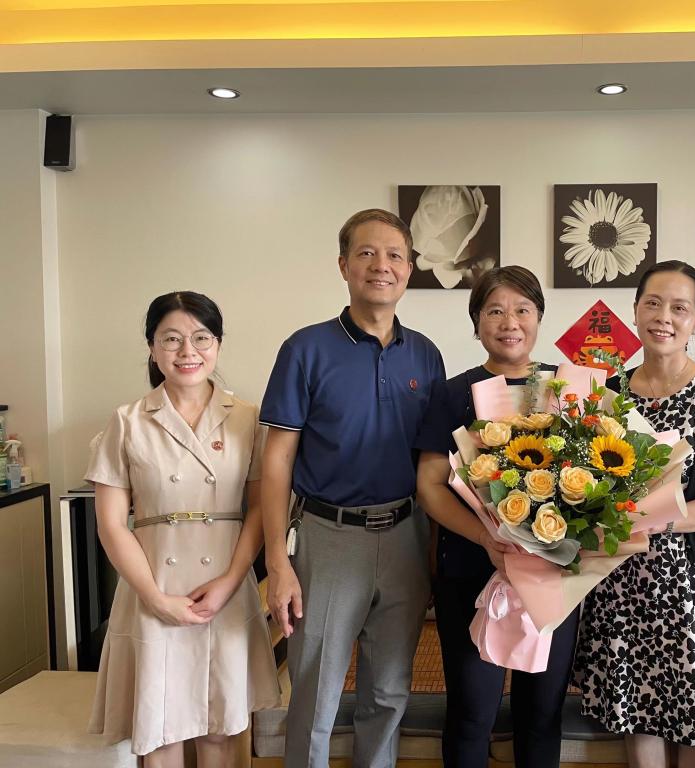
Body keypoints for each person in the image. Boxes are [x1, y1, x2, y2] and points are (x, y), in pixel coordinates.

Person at [260, 209, 447, 768]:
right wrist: (277, 561)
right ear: (343, 265)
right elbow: (276, 461)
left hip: (407, 534)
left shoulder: (426, 355)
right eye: (366, 253)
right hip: (328, 536)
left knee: (389, 692)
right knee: (315, 693)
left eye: (394, 255)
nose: (380, 265)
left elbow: (433, 465)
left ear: (409, 269)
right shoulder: (305, 349)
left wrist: (433, 552)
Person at [574, 261, 695, 768]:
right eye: (654, 303)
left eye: (680, 308)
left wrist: (648, 519)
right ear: (635, 310)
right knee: (638, 713)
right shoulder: (607, 395)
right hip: (625, 583)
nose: (664, 317)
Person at [86, 291, 279, 766]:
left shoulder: (248, 418)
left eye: (201, 338)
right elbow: (111, 524)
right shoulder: (127, 421)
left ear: (218, 344)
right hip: (153, 587)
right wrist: (155, 598)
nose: (187, 351)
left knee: (220, 731)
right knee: (162, 734)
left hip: (225, 587)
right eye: (171, 339)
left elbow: (261, 509)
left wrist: (230, 581)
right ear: (152, 348)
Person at [415, 266, 576, 768]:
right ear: (477, 321)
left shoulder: (566, 389)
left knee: (542, 712)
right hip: (472, 569)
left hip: (552, 574)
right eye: (495, 311)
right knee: (472, 711)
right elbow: (430, 486)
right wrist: (486, 538)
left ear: (539, 317)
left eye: (523, 309)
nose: (510, 322)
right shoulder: (452, 394)